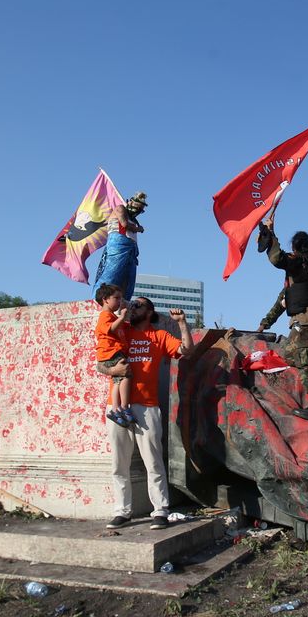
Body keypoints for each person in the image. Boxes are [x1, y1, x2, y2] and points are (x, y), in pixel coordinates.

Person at [105, 297, 194, 530]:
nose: (132, 307)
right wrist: (113, 369)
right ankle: (122, 511)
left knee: (153, 461)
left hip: (147, 406)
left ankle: (160, 510)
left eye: (138, 305)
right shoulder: (121, 331)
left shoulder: (160, 336)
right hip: (117, 407)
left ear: (149, 312)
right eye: (131, 304)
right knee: (119, 463)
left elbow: (187, 350)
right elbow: (100, 362)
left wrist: (182, 324)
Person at [259, 218, 308, 423]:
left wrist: (270, 235)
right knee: (294, 355)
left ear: (295, 247)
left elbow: (277, 258)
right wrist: (266, 323)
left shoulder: (302, 263)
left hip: (306, 321)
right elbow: (283, 300)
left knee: (307, 359)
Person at [91, 192, 147, 301]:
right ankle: (98, 299)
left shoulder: (134, 219)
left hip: (131, 250)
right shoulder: (120, 209)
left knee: (128, 279)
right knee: (111, 274)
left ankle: (123, 302)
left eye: (140, 209)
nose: (137, 211)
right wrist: (138, 229)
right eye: (136, 207)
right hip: (118, 245)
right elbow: (124, 224)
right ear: (130, 202)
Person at [94, 283, 134, 428]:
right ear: (105, 299)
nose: (119, 301)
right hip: (111, 352)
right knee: (125, 376)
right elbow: (110, 329)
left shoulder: (111, 316)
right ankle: (123, 406)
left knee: (117, 380)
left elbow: (121, 327)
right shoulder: (105, 315)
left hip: (113, 352)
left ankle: (116, 409)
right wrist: (122, 317)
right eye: (116, 298)